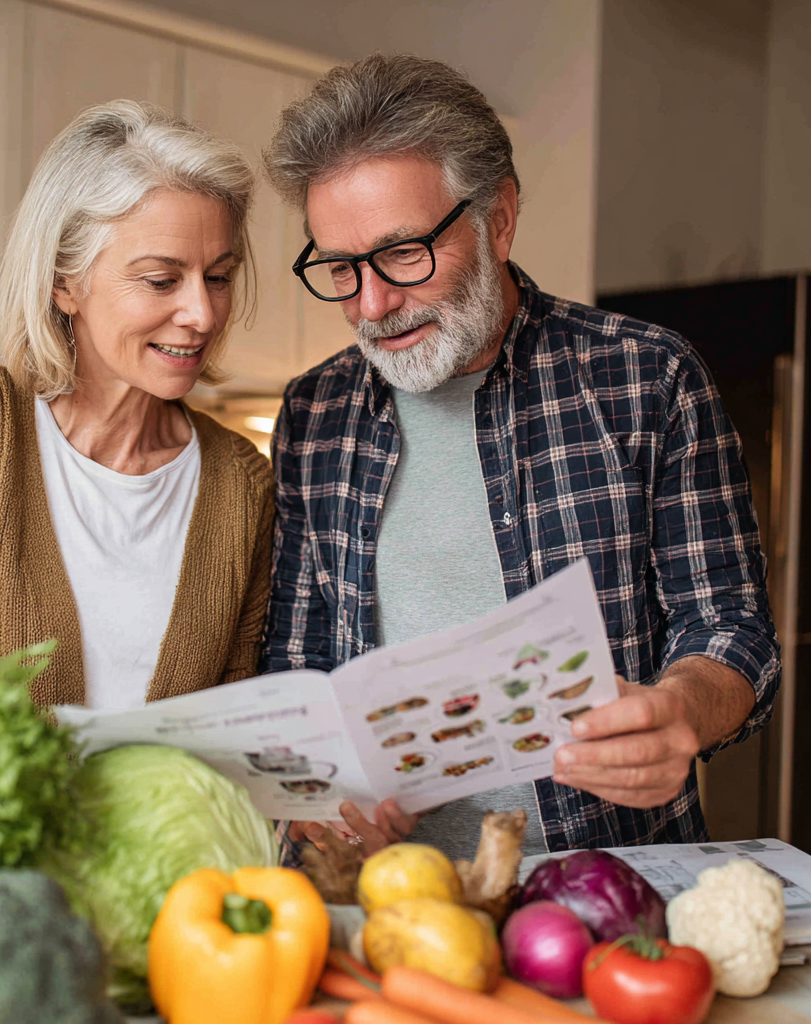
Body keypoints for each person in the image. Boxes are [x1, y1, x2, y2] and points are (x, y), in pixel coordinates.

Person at [261, 54, 779, 862]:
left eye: (403, 254)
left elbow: (729, 627)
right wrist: (314, 787)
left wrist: (682, 707)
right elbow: (298, 661)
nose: (371, 304)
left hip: (605, 882)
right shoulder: (313, 413)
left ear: (497, 220)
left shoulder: (648, 377)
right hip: (386, 894)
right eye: (340, 268)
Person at [0, 101, 274, 837]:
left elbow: (224, 733)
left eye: (219, 276)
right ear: (66, 282)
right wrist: (22, 851)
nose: (201, 313)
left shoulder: (241, 482)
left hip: (138, 896)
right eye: (161, 280)